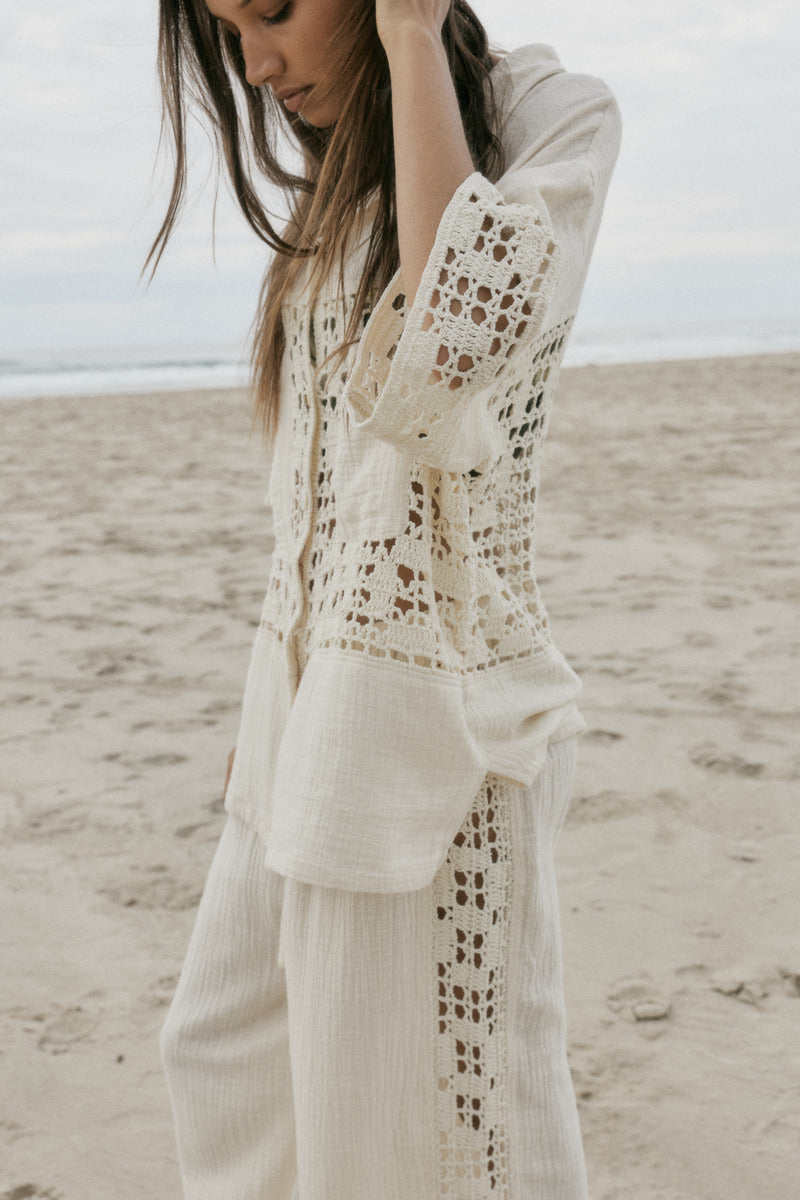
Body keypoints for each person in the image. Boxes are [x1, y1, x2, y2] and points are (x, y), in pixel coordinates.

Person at [146, 1, 621, 1197]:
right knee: (220, 1050)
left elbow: (445, 360)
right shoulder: (338, 189)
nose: (255, 63)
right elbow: (307, 497)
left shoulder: (553, 120)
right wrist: (266, 703)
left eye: (272, 12)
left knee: (433, 1131)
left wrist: (409, 35)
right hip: (301, 709)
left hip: (428, 712)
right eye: (228, 29)